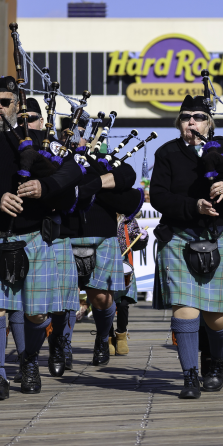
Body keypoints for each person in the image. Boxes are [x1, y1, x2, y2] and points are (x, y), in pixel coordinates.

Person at [0, 75, 84, 401]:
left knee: (37, 313)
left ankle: (28, 360)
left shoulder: (40, 141)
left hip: (34, 237)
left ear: (16, 105)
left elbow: (73, 171)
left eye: (4, 102)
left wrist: (45, 187)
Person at [150, 95, 223, 399]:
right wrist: (194, 205)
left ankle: (216, 362)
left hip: (222, 236)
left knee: (218, 318)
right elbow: (160, 197)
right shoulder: (167, 154)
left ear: (209, 123)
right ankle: (189, 375)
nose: (192, 121)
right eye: (186, 116)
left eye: (199, 116)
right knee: (186, 311)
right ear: (179, 123)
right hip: (180, 236)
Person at [56, 129, 142, 374]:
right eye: (69, 134)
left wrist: (95, 181)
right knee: (65, 299)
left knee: (102, 298)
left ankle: (103, 337)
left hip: (101, 236)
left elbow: (128, 175)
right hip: (65, 236)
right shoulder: (55, 162)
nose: (74, 139)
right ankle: (63, 345)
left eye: (81, 134)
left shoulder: (102, 163)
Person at [112, 214, 149, 356]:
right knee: (105, 303)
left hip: (125, 264)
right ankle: (107, 337)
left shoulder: (129, 220)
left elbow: (138, 244)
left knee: (123, 304)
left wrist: (142, 237)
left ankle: (121, 335)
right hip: (104, 263)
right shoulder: (103, 215)